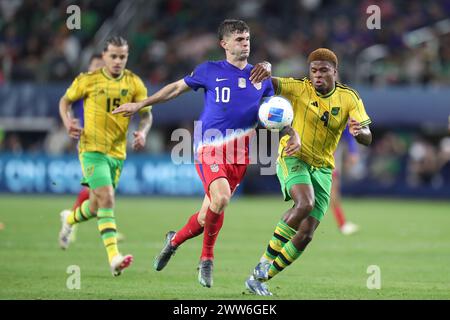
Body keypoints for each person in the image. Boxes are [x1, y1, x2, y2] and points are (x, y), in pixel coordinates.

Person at [112, 19, 300, 288]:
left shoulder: (261, 78)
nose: (245, 43)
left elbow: (275, 116)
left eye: (247, 38)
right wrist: (142, 103)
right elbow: (176, 88)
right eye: (238, 39)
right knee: (221, 199)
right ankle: (207, 259)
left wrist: (291, 132)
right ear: (223, 44)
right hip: (209, 148)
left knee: (205, 217)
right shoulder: (209, 70)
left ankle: (173, 240)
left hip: (239, 155)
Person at [245, 48, 372, 296]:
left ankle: (258, 279)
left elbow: (368, 136)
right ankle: (263, 262)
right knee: (304, 203)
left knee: (306, 235)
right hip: (294, 157)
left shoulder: (349, 98)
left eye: (323, 70)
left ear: (335, 71)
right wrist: (267, 65)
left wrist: (360, 133)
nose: (317, 75)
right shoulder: (297, 87)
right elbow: (265, 79)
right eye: (313, 70)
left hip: (323, 167)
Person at [58, 36, 153, 276]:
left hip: (117, 153)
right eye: (113, 56)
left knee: (94, 206)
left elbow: (146, 115)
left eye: (122, 56)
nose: (118, 60)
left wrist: (142, 132)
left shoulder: (134, 83)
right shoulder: (88, 80)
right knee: (108, 198)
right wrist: (68, 121)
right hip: (91, 150)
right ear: (104, 56)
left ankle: (69, 219)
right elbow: (65, 101)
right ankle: (114, 257)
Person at [331, 126, 360, 235]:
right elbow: (348, 134)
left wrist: (352, 151)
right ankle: (342, 224)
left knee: (333, 192)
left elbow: (348, 133)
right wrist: (353, 151)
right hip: (321, 160)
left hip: (327, 160)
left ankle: (342, 224)